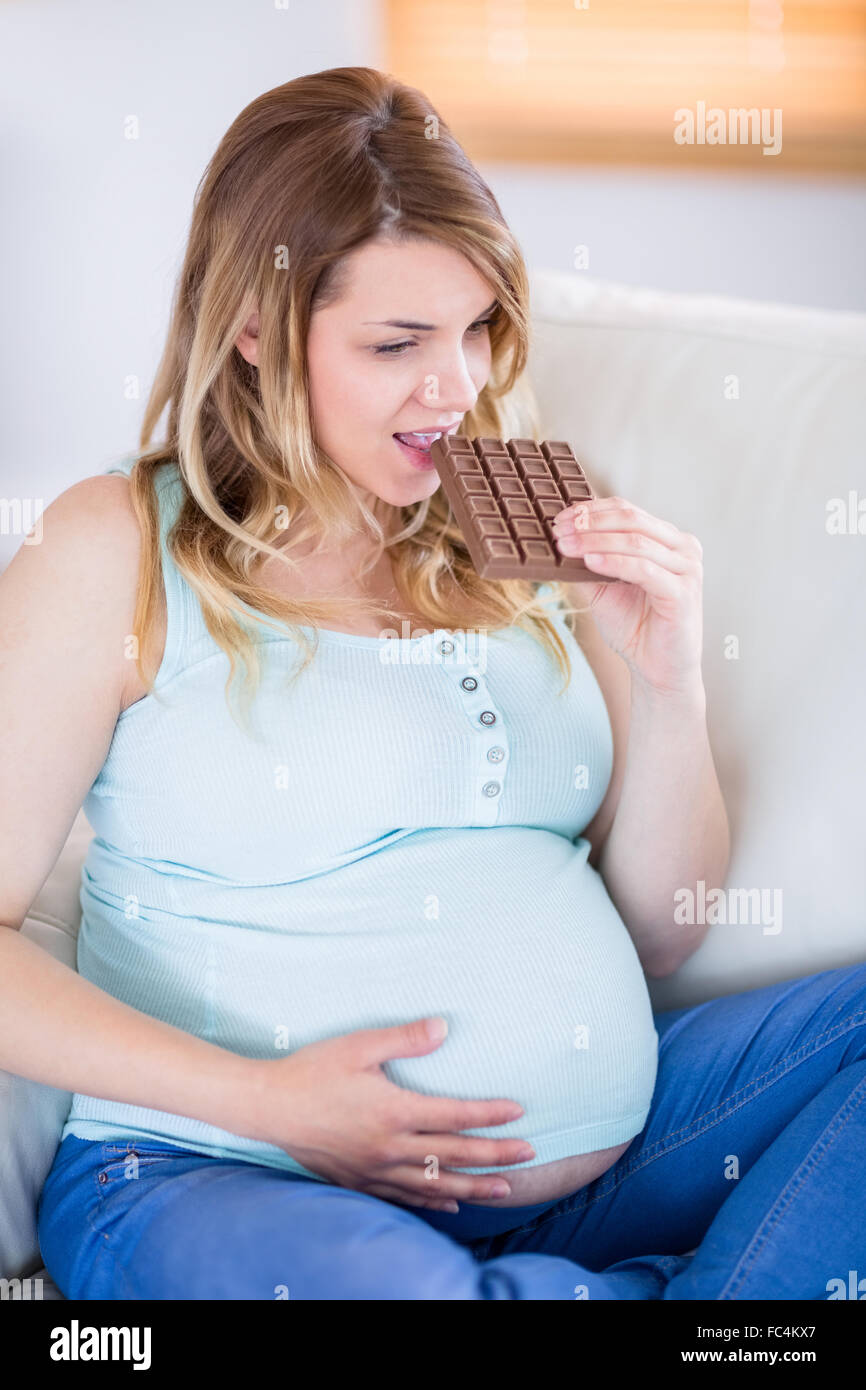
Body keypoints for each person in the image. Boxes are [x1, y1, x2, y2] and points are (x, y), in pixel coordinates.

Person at [3, 67, 863, 1301]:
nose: (456, 390)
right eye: (396, 343)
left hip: (598, 1171)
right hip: (227, 1173)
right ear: (253, 329)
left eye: (475, 330)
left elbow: (665, 925)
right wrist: (263, 1098)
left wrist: (666, 680)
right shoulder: (116, 546)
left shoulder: (526, 519)